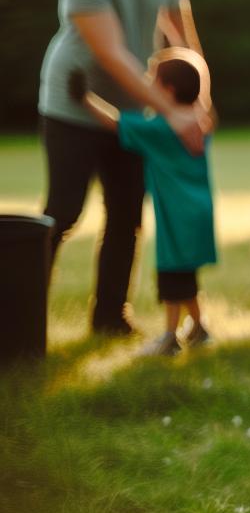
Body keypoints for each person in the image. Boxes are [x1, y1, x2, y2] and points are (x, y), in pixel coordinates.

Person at [39, 0, 205, 336]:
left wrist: (198, 105)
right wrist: (171, 110)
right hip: (73, 104)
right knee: (64, 212)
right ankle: (21, 314)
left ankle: (110, 318)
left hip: (133, 112)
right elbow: (113, 55)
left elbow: (184, 39)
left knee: (127, 214)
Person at [67, 50, 216, 357]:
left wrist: (84, 97)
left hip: (176, 213)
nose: (146, 85)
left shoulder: (162, 128)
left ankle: (169, 337)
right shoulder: (199, 121)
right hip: (198, 210)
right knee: (186, 272)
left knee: (172, 273)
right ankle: (199, 328)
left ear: (169, 90)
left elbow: (116, 123)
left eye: (152, 80)